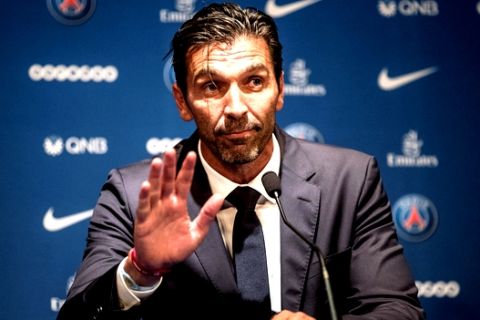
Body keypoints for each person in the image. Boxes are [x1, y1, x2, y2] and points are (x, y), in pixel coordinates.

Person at [58, 3, 425, 319]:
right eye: (211, 86)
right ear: (182, 101)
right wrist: (141, 269)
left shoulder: (349, 181)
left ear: (280, 90)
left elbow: (397, 309)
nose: (235, 109)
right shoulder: (134, 194)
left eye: (253, 82)